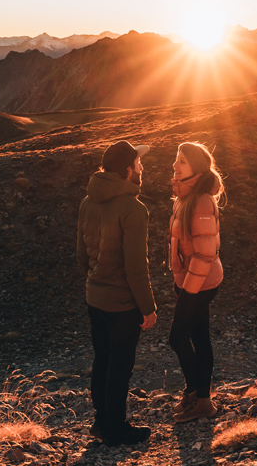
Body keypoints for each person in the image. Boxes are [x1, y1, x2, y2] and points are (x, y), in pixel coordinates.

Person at [77, 139, 156, 445]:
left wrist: (98, 278)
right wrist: (148, 308)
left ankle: (101, 422)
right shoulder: (133, 209)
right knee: (120, 364)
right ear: (127, 170)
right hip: (122, 304)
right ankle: (117, 427)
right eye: (138, 163)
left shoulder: (87, 202)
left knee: (102, 359)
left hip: (94, 297)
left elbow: (81, 257)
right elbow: (135, 267)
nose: (142, 167)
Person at [167, 140, 227, 423]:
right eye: (176, 160)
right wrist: (179, 278)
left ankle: (194, 392)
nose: (175, 166)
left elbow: (204, 255)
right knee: (199, 338)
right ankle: (203, 401)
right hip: (192, 282)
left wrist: (187, 293)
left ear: (196, 169)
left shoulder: (201, 200)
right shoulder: (184, 197)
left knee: (177, 337)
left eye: (181, 162)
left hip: (201, 284)